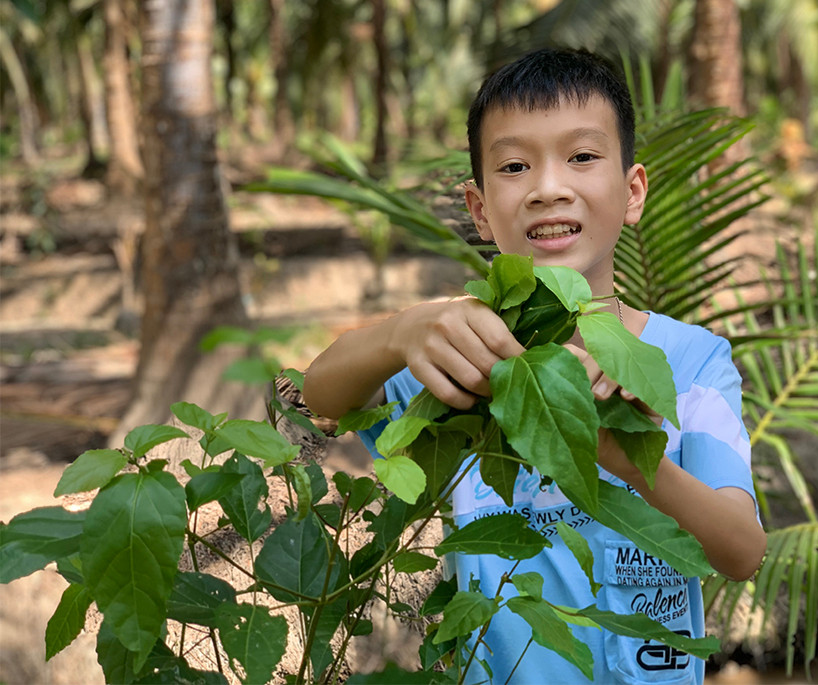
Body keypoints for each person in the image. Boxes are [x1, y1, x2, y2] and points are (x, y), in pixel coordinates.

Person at [303, 47, 766, 685]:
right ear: (480, 209)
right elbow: (322, 393)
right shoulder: (467, 353)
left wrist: (627, 457)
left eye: (581, 156)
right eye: (516, 165)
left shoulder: (689, 361)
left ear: (632, 192)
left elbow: (741, 550)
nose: (550, 187)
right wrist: (402, 331)